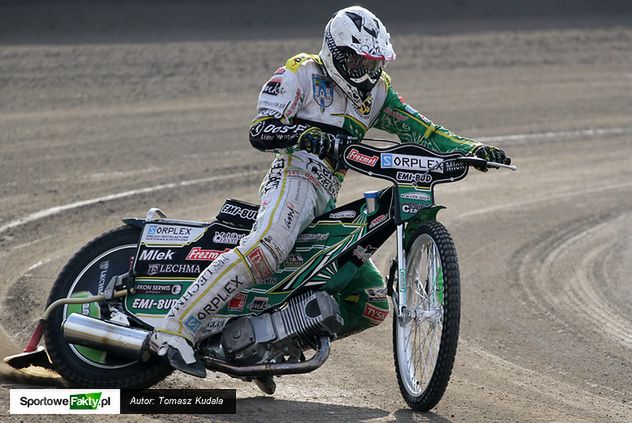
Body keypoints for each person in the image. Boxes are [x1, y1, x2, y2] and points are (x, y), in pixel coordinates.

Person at [150, 6, 510, 384]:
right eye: (358, 61)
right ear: (336, 52)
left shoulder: (379, 91)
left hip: (328, 196)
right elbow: (260, 131)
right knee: (268, 247)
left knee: (370, 302)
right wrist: (305, 136)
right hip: (294, 177)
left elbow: (423, 130)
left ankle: (265, 348)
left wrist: (473, 148)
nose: (366, 71)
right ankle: (176, 328)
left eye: (373, 63)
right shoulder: (302, 70)